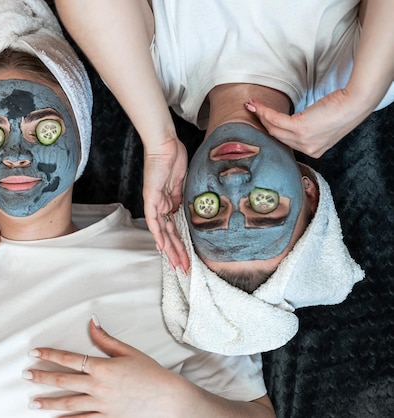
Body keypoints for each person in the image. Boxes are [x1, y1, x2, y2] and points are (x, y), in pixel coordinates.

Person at [0, 0, 274, 417]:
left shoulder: (171, 251)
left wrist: (169, 402)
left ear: (82, 136)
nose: (15, 155)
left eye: (44, 130)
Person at [54, 0, 394, 272]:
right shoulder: (355, 81)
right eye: (264, 205)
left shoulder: (154, 75)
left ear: (183, 200)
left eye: (209, 209)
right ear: (310, 194)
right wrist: (361, 96)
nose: (232, 182)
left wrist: (159, 141)